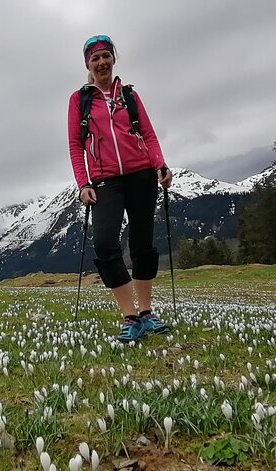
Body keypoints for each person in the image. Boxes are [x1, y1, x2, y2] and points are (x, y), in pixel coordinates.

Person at [67, 34, 173, 342]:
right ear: (88, 64)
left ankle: (146, 313)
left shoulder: (129, 95)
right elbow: (75, 146)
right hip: (105, 180)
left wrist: (160, 164)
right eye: (95, 58)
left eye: (106, 56)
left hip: (142, 175)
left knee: (142, 245)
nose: (102, 62)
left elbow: (149, 134)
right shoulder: (79, 100)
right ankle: (130, 316)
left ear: (113, 59)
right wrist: (83, 183)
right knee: (105, 245)